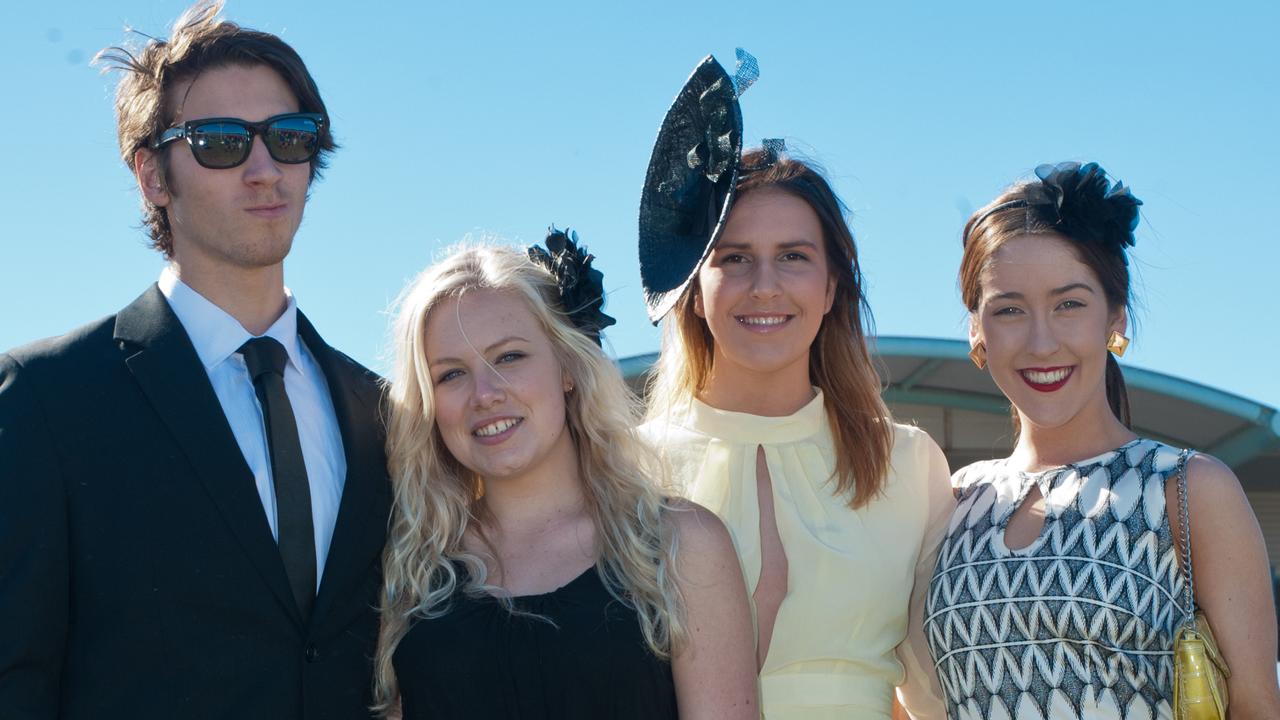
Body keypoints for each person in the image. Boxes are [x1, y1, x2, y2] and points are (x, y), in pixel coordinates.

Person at [0, 2, 390, 717]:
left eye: (290, 137)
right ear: (153, 177)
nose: (265, 169)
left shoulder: (382, 409)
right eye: (219, 143)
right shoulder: (45, 399)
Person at [637, 53, 952, 720]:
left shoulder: (910, 464)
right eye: (734, 260)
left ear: (833, 285)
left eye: (794, 257)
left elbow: (938, 694)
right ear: (694, 291)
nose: (766, 286)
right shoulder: (623, 468)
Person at [925, 162, 1280, 719]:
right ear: (976, 328)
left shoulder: (1187, 489)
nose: (1042, 343)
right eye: (1010, 310)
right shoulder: (950, 500)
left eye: (1069, 304)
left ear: (1114, 315)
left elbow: (1256, 708)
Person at [373, 234, 757, 719]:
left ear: (568, 367)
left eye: (509, 356)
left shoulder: (682, 544)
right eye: (451, 374)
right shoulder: (408, 571)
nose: (485, 393)